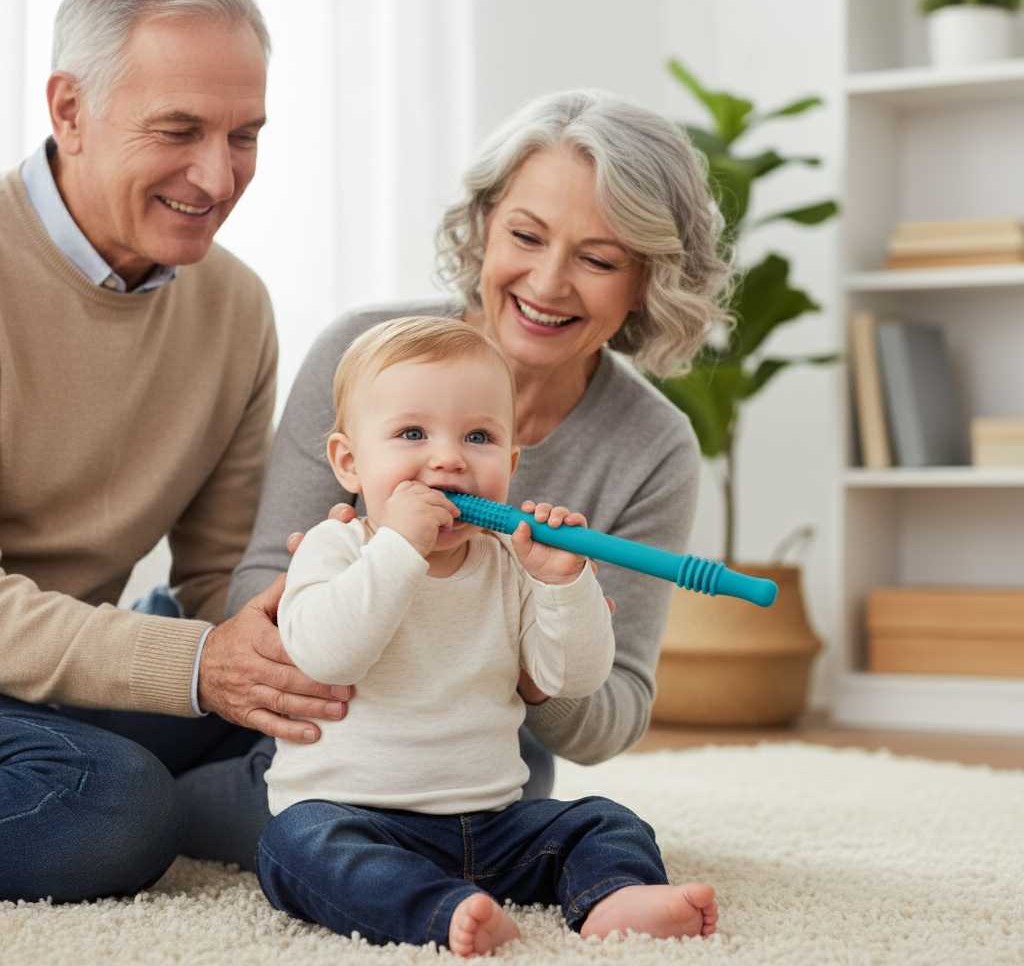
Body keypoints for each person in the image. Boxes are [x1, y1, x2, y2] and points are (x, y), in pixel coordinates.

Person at [223, 90, 731, 859]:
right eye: (526, 235)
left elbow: (614, 712)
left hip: (478, 755)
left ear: (647, 282)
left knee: (534, 799)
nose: (548, 283)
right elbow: (257, 586)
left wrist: (534, 648)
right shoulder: (361, 352)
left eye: (597, 260)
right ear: (485, 225)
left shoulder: (653, 446)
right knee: (140, 782)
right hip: (313, 717)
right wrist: (327, 606)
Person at [0, 0, 344, 904]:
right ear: (69, 110)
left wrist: (339, 621)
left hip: (53, 682)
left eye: (245, 135)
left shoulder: (235, 307)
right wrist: (194, 663)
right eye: (179, 130)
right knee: (113, 807)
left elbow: (218, 577)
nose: (218, 175)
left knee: (392, 727)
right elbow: (192, 651)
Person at [254, 315, 719, 954]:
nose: (449, 457)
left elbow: (574, 677)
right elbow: (328, 654)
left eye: (479, 437)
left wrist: (564, 584)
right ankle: (440, 910)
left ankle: (614, 897)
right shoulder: (333, 548)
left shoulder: (510, 562)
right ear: (350, 463)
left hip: (493, 825)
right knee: (292, 847)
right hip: (354, 815)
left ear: (511, 462)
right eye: (412, 433)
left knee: (606, 820)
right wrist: (399, 547)